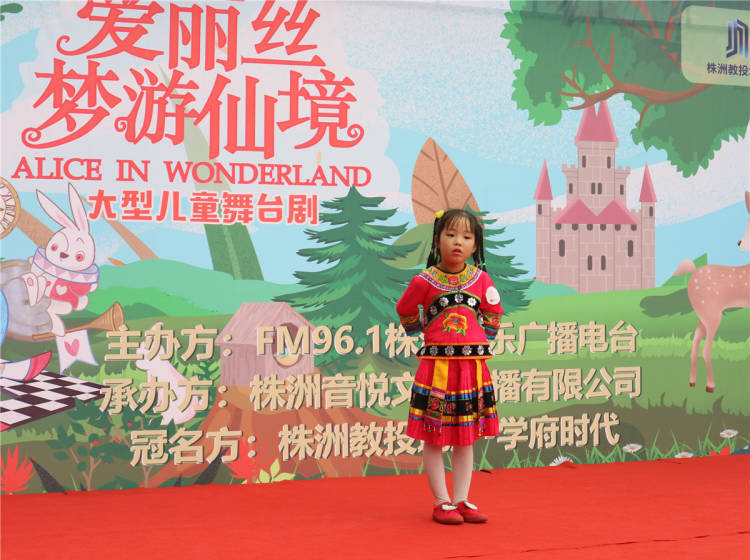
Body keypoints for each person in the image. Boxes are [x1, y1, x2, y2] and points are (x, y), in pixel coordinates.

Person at [397, 209, 502, 524]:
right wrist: (419, 331)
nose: (458, 242)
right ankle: (441, 501)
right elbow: (405, 307)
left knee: (466, 435)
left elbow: (494, 310)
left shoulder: (481, 279)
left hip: (470, 369)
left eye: (466, 237)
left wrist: (483, 337)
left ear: (475, 245)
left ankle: (462, 499)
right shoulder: (424, 280)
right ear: (437, 239)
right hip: (437, 369)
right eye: (451, 235)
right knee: (435, 435)